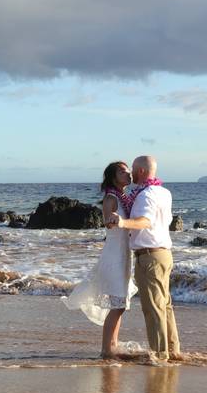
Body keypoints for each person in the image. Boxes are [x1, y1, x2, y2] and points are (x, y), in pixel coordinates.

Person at [62, 161, 137, 358]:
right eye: (123, 172)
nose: (128, 174)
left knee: (120, 305)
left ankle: (112, 345)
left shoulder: (124, 198)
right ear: (113, 178)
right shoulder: (111, 198)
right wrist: (112, 219)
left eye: (128, 171)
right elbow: (107, 221)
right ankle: (107, 349)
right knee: (118, 304)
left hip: (123, 254)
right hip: (114, 255)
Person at [110, 155, 181, 363]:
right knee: (165, 305)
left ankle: (159, 355)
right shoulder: (164, 192)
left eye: (133, 169)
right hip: (164, 254)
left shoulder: (144, 195)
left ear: (141, 171)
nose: (131, 173)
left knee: (153, 308)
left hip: (149, 256)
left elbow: (144, 221)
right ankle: (172, 349)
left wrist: (123, 223)